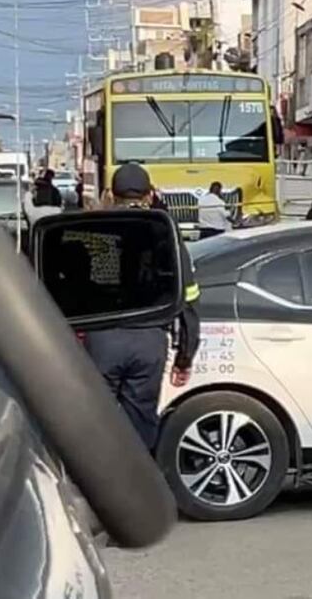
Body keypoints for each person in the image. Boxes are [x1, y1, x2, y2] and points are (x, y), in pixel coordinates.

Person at [82, 163, 201, 451]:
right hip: (149, 340)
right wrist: (185, 355)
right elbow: (188, 297)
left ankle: (97, 485)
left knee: (96, 422)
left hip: (101, 339)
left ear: (110, 194)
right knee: (141, 423)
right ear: (150, 195)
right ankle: (138, 486)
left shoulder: (94, 229)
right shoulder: (163, 231)